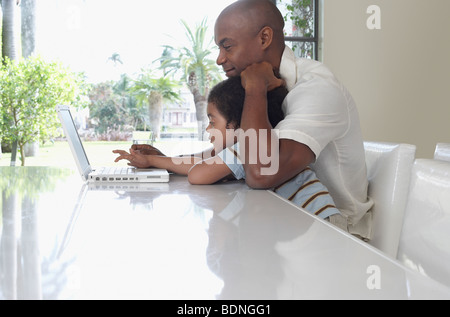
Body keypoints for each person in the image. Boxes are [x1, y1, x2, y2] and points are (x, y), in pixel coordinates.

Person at [123, 0, 374, 240]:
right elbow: (227, 155)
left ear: (264, 38)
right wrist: (162, 161)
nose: (220, 59)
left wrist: (255, 85)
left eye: (227, 46)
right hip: (290, 224)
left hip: (336, 236)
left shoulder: (316, 89)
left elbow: (261, 172)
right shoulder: (269, 91)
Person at [114, 76, 341, 220]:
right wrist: (161, 159)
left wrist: (155, 162)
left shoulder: (250, 146)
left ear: (237, 125)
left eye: (213, 122)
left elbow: (199, 173)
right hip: (313, 222)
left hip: (323, 226)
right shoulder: (252, 143)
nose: (208, 130)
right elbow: (197, 160)